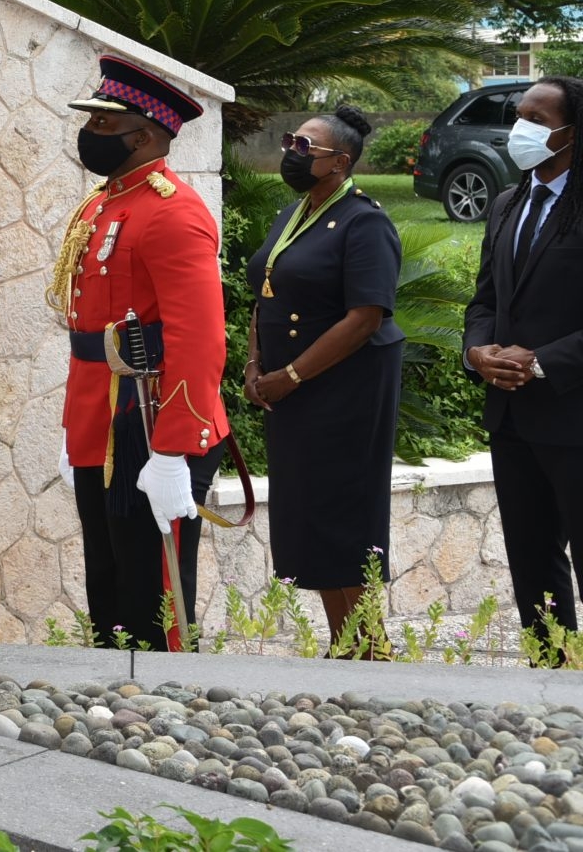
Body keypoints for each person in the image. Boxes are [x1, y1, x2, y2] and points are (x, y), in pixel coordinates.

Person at [50, 55, 230, 650]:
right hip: (101, 418)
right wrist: (76, 431)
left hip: (149, 421)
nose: (90, 134)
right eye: (93, 123)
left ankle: (162, 705)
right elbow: (90, 334)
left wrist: (176, 448)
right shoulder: (104, 204)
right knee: (106, 578)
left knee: (152, 590)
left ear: (146, 134)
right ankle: (109, 702)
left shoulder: (173, 212)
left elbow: (197, 338)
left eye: (105, 125)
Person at [244, 106, 403, 654]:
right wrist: (253, 363)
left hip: (344, 387)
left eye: (305, 145)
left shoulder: (366, 221)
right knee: (309, 511)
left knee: (342, 512)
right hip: (294, 389)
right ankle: (347, 644)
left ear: (341, 162)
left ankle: (368, 647)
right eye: (291, 139)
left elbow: (366, 317)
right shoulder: (293, 213)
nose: (292, 150)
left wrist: (289, 374)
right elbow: (266, 289)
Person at [465, 74, 583, 660]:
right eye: (520, 115)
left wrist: (543, 363)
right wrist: (477, 352)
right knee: (532, 561)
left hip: (573, 410)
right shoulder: (508, 202)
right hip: (512, 415)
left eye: (538, 120)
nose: (522, 129)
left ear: (572, 131)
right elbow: (486, 300)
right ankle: (552, 672)